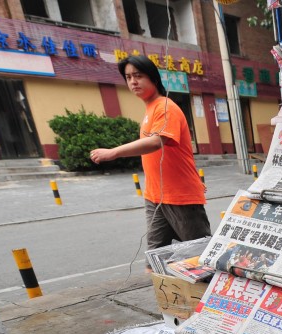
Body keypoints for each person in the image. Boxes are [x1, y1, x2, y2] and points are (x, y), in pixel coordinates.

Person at [89, 56, 209, 252]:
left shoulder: (165, 107)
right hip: (155, 196)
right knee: (155, 255)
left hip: (180, 196)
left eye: (138, 76)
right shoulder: (150, 109)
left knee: (199, 255)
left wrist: (113, 152)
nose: (133, 82)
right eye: (128, 77)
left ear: (153, 78)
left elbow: (156, 142)